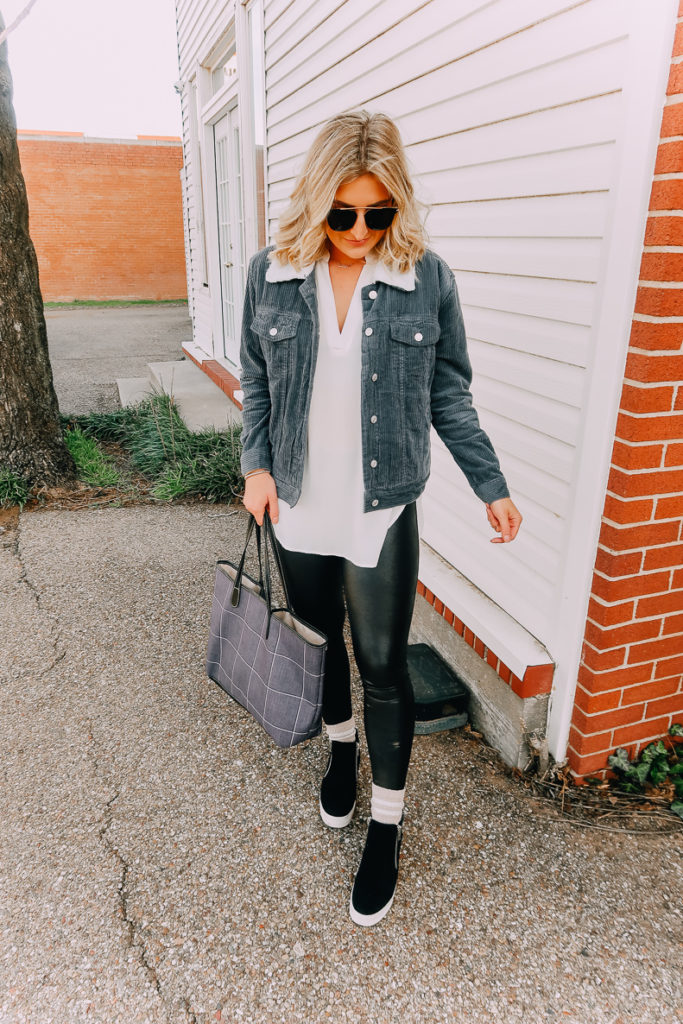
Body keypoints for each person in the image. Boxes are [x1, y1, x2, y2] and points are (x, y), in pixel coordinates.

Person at [239, 109, 522, 926]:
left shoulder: (424, 278)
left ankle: (386, 828)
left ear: (396, 206)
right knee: (318, 638)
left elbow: (447, 392)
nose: (360, 230)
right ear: (315, 201)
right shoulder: (272, 271)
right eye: (343, 213)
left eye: (378, 213)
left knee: (383, 663)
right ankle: (338, 755)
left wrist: (489, 483)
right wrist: (255, 467)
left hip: (381, 502)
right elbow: (257, 380)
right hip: (296, 499)